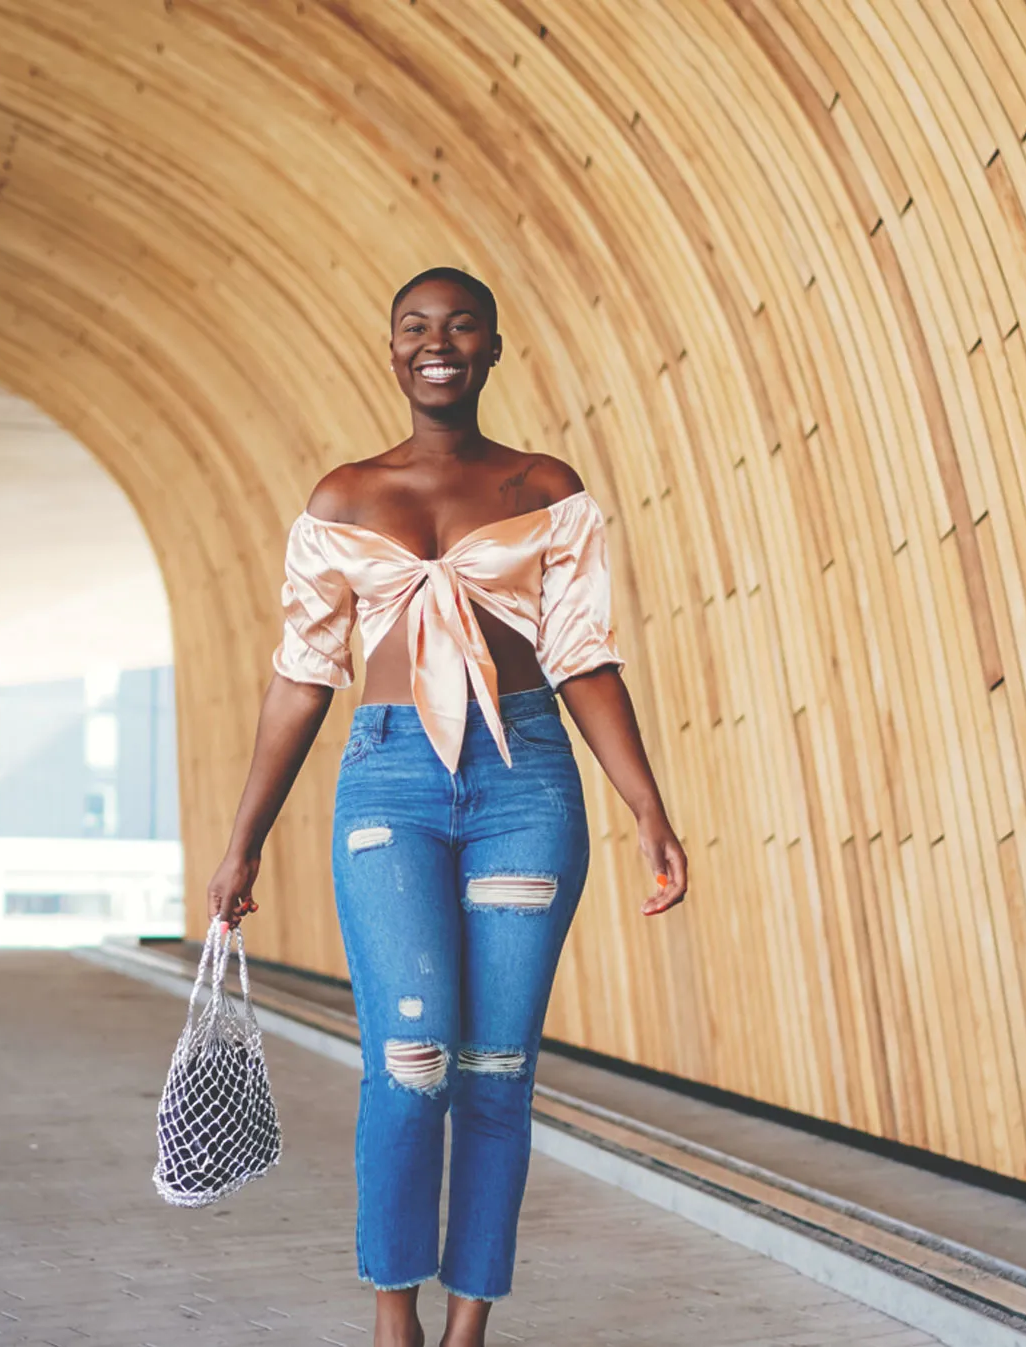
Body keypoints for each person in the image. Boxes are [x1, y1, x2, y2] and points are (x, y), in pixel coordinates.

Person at [206, 266, 688, 1347]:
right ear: (391, 351)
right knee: (410, 1057)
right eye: (416, 328)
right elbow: (300, 677)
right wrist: (243, 844)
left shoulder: (544, 488)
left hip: (524, 782)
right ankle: (394, 1314)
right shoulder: (342, 500)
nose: (439, 344)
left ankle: (469, 1323)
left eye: (461, 327)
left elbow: (584, 660)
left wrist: (647, 807)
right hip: (391, 783)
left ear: (493, 349)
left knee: (498, 1067)